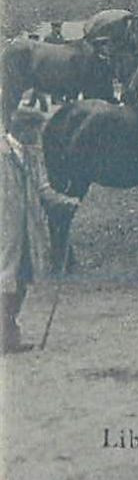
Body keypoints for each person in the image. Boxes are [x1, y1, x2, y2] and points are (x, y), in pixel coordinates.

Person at [2, 109, 52, 353]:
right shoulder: (2, 155)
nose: (39, 136)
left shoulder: (31, 156)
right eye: (36, 131)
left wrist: (65, 202)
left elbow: (44, 189)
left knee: (21, 280)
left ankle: (10, 334)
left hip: (25, 231)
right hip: (5, 232)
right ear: (23, 130)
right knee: (5, 281)